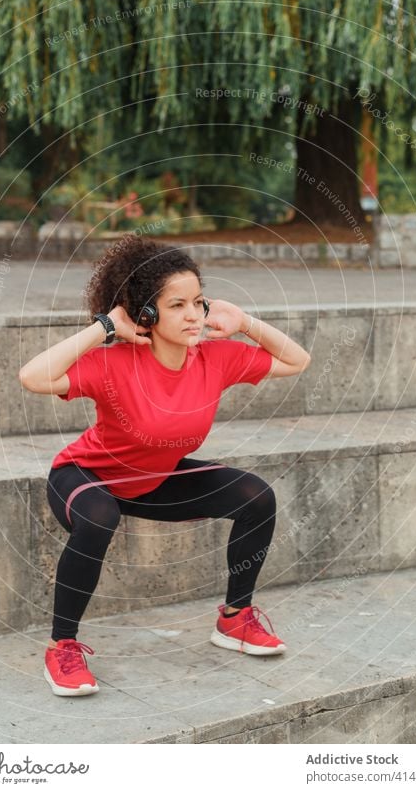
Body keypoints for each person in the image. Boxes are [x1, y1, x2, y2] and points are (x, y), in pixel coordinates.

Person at [19, 236, 311, 696]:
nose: (194, 314)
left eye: (199, 301)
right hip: (85, 477)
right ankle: (63, 647)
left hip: (152, 479)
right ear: (147, 314)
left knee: (256, 495)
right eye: (177, 305)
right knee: (100, 516)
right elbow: (32, 377)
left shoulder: (215, 359)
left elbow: (297, 360)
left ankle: (234, 620)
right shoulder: (116, 363)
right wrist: (105, 327)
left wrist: (246, 323)